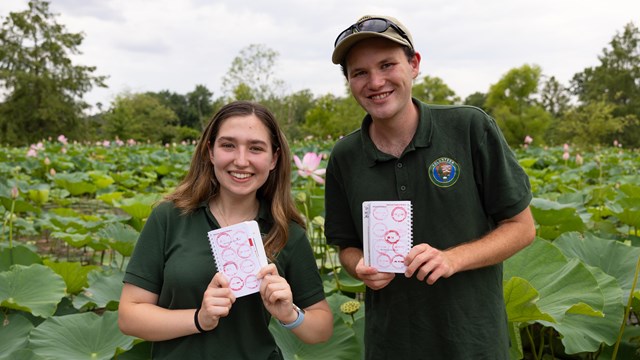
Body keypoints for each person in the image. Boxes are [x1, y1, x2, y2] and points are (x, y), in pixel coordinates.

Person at [324, 15, 536, 359]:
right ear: (349, 81)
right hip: (389, 344)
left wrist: (453, 259)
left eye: (387, 65)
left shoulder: (469, 127)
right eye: (359, 72)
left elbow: (522, 228)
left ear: (414, 64)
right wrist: (359, 265)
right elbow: (345, 245)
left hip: (472, 342)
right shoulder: (344, 157)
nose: (375, 82)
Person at [119, 101, 333, 359]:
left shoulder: (287, 232)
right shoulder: (169, 217)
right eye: (228, 145)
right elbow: (129, 316)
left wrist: (290, 314)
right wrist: (200, 319)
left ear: (274, 158)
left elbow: (321, 330)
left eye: (256, 148)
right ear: (210, 152)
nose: (241, 161)